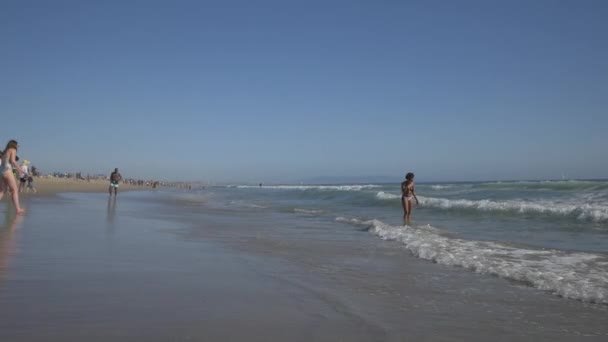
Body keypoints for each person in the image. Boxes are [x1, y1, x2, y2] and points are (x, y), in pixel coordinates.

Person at [0, 140, 25, 214]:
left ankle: (18, 209)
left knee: (2, 190)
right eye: (17, 145)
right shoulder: (13, 149)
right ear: (14, 144)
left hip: (1, 170)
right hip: (7, 170)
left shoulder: (5, 151)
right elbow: (13, 161)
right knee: (15, 190)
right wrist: (20, 169)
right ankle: (18, 209)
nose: (18, 146)